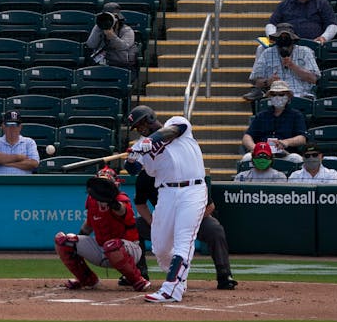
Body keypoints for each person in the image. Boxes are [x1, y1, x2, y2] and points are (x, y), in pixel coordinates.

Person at [123, 104, 207, 304]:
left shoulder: (176, 123)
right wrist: (133, 157)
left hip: (192, 189)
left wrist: (149, 141)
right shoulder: (142, 146)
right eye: (137, 127)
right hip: (166, 193)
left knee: (183, 239)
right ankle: (179, 278)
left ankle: (172, 288)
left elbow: (172, 132)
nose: (140, 129)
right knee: (160, 248)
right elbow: (133, 170)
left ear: (151, 118)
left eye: (142, 123)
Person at [131, 171, 236, 290]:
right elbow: (140, 204)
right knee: (136, 225)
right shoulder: (146, 175)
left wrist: (188, 222)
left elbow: (210, 206)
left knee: (214, 229)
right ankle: (138, 274)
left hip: (192, 218)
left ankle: (224, 274)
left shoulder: (188, 172)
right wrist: (154, 223)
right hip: (164, 219)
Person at [54, 167, 148, 291]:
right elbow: (88, 226)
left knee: (112, 245)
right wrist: (75, 246)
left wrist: (110, 201)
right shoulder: (92, 201)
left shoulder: (121, 199)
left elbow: (122, 211)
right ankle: (87, 279)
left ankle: (137, 279)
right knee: (64, 240)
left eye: (106, 185)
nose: (102, 189)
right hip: (102, 249)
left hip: (130, 249)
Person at [246, 22, 320, 100]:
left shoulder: (305, 52)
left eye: (287, 38)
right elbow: (256, 81)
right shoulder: (267, 53)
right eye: (281, 39)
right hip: (275, 96)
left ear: (293, 39)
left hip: (300, 96)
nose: (284, 41)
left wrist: (293, 66)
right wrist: (267, 81)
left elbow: (313, 79)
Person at [240, 81, 306, 164]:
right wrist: (256, 148)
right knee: (247, 158)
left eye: (281, 94)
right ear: (270, 97)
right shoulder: (261, 115)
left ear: (288, 97)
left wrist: (286, 142)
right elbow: (247, 137)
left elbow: (302, 138)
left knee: (296, 159)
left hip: (285, 154)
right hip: (262, 154)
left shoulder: (296, 115)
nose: (277, 97)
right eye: (274, 95)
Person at [84, 1, 137, 69]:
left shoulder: (127, 30)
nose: (109, 20)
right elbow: (91, 44)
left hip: (121, 65)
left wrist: (112, 36)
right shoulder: (99, 27)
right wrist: (98, 28)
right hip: (101, 64)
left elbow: (123, 46)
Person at [0, 110, 40, 175]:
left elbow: (33, 163)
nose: (12, 128)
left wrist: (6, 163)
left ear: (20, 127)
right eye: (9, 125)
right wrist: (19, 157)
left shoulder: (29, 142)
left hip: (22, 183)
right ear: (3, 126)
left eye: (15, 125)